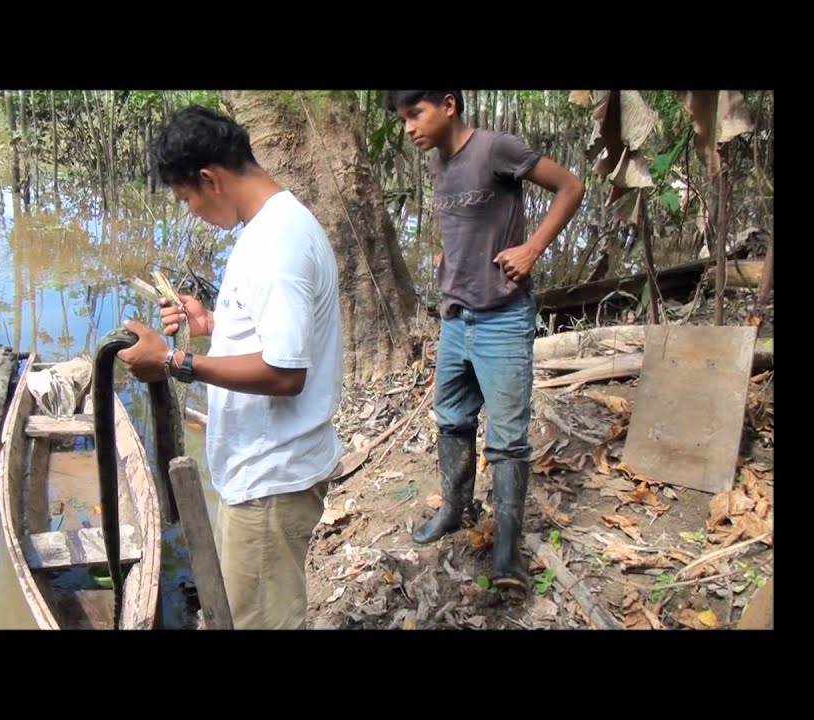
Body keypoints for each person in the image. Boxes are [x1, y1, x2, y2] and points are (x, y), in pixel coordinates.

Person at [115, 105, 344, 629]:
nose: (191, 211)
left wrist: (172, 361)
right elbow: (279, 336)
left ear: (209, 178)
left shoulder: (275, 246)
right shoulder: (276, 224)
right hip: (266, 472)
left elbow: (286, 374)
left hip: (270, 479)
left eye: (186, 198)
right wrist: (213, 324)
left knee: (261, 621)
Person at [384, 90, 585, 591]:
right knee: (452, 419)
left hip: (502, 317)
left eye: (415, 114)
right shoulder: (439, 164)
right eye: (403, 119)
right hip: (456, 318)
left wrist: (532, 248)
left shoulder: (496, 148)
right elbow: (465, 224)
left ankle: (507, 554)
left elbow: (571, 186)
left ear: (448, 105)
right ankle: (455, 509)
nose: (409, 128)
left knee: (508, 440)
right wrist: (447, 257)